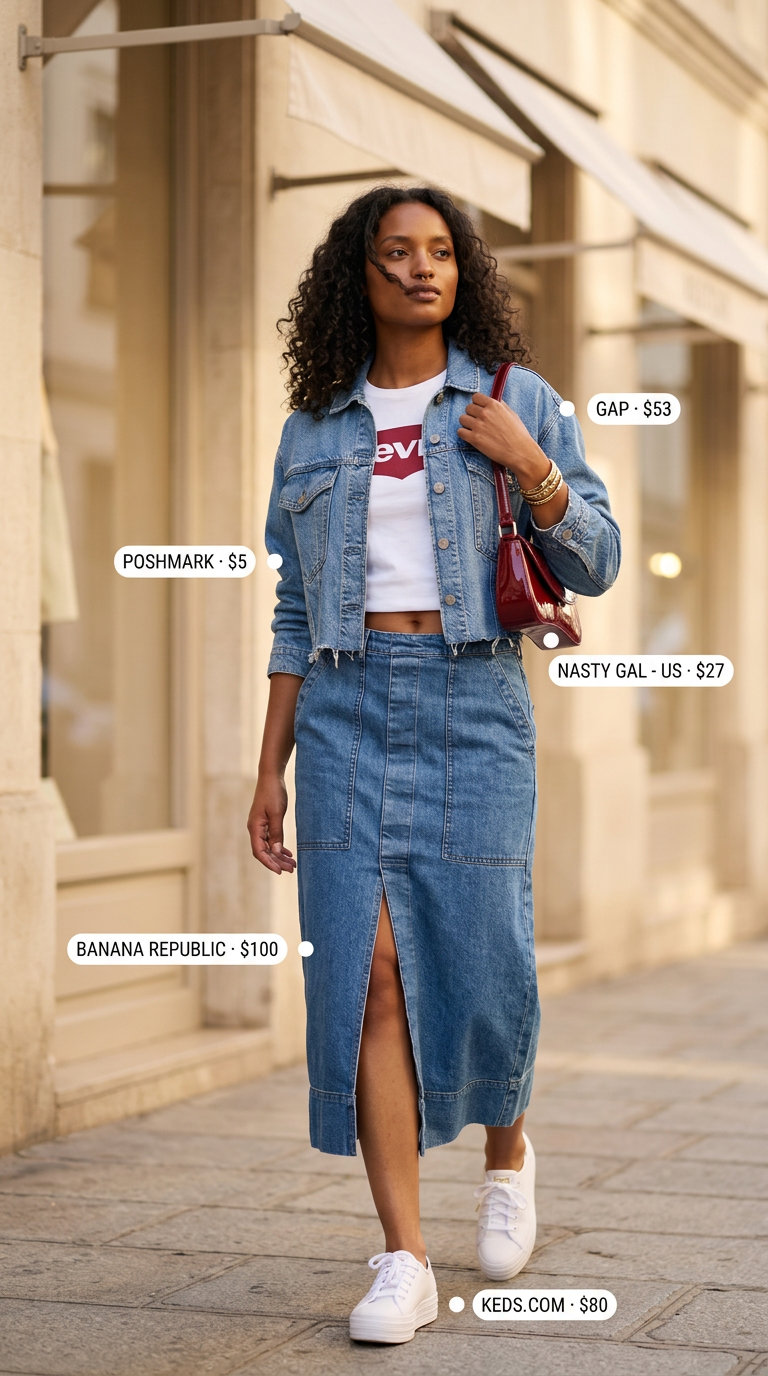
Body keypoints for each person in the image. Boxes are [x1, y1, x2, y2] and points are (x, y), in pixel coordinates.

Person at [247, 185, 620, 1345]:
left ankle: (508, 1152)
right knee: (368, 972)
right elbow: (295, 611)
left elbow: (598, 558)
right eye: (397, 251)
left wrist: (533, 465)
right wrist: (268, 767)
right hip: (347, 707)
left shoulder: (520, 399)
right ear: (356, 275)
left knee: (489, 956)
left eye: (442, 251)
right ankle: (402, 1255)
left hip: (473, 700)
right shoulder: (313, 429)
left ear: (464, 274)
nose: (422, 268)